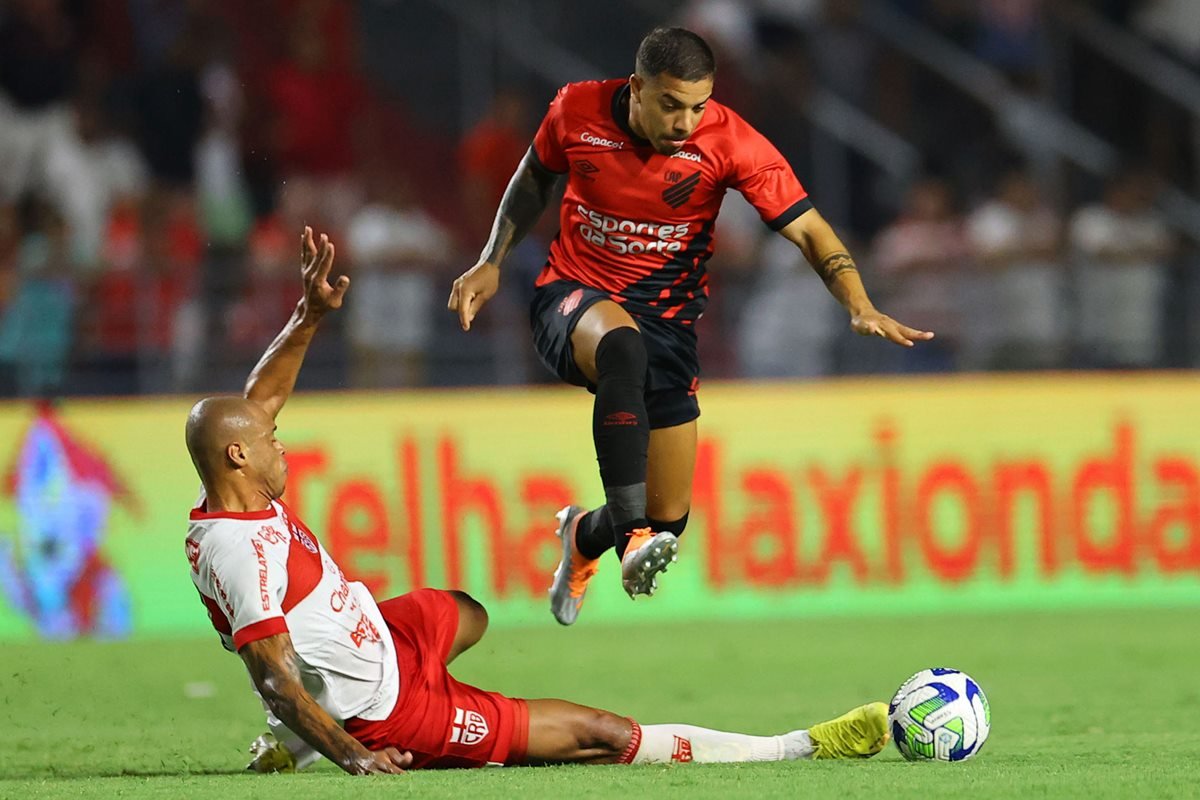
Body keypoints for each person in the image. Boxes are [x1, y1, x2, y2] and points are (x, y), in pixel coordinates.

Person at [184, 226, 889, 774]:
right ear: (239, 455)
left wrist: (307, 314)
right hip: (389, 710)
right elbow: (274, 676)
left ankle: (307, 733)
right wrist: (354, 753)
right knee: (598, 735)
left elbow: (259, 400)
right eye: (271, 441)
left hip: (385, 638)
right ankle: (795, 747)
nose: (286, 447)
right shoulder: (241, 553)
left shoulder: (229, 486)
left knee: (467, 613)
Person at [447, 27, 932, 626]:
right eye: (670, 104)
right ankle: (629, 539)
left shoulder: (729, 141)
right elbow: (533, 180)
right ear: (636, 89)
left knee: (669, 516)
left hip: (669, 325)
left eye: (697, 106)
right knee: (622, 350)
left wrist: (857, 301)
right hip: (572, 297)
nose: (684, 122)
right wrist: (491, 260)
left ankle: (586, 535)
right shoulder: (576, 109)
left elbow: (808, 229)